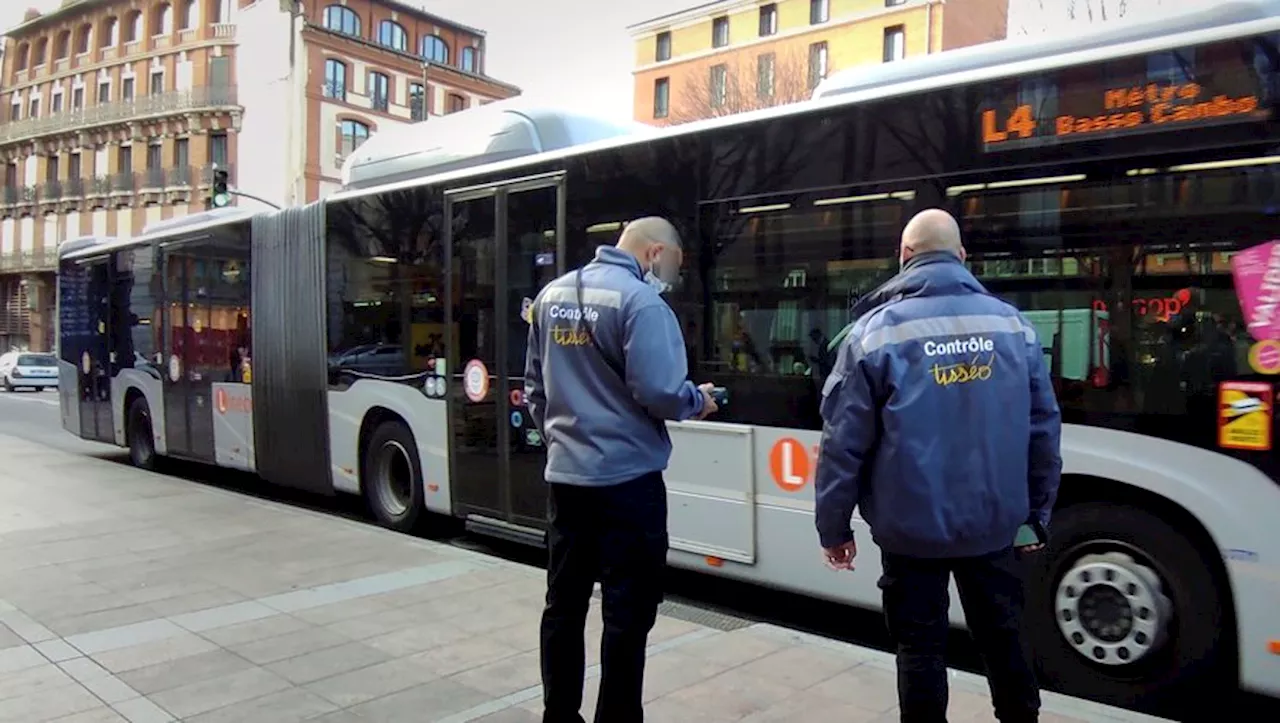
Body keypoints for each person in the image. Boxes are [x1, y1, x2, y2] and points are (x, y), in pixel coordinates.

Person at [813, 208, 1063, 723]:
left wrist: (833, 526)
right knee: (1004, 639)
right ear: (962, 256)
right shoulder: (1013, 326)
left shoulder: (874, 334)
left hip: (910, 532)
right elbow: (1043, 429)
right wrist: (1037, 514)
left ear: (904, 256)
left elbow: (843, 443)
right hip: (996, 525)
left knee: (921, 651)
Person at [524, 216, 720, 723]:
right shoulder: (640, 303)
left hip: (566, 484)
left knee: (563, 606)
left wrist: (564, 443)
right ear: (655, 253)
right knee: (627, 613)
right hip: (629, 486)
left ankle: (559, 714)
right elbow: (657, 391)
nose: (671, 279)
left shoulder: (549, 296)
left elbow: (536, 392)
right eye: (673, 265)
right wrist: (696, 401)